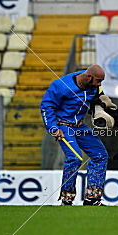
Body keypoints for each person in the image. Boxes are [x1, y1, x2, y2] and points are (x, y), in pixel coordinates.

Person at [40, 65, 109, 206]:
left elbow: (99, 98)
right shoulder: (61, 85)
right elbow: (47, 106)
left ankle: (92, 198)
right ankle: (67, 198)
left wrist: (102, 110)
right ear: (89, 77)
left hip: (79, 125)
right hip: (63, 126)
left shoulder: (94, 86)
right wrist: (53, 128)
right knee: (76, 158)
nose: (100, 84)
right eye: (98, 81)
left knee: (101, 155)